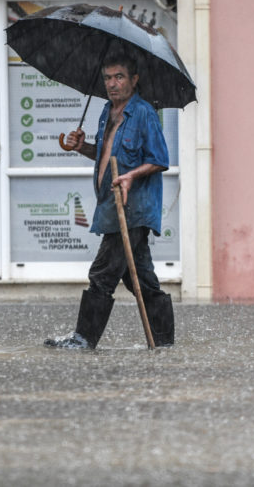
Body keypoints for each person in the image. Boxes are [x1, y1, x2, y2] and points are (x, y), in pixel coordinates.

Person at [44, 54, 175, 349]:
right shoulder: (107, 110)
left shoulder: (143, 113)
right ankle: (164, 342)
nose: (112, 84)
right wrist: (82, 147)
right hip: (109, 206)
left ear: (134, 80)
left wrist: (130, 177)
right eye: (107, 78)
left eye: (119, 77)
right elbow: (105, 156)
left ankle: (83, 339)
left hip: (133, 209)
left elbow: (160, 160)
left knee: (102, 273)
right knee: (139, 280)